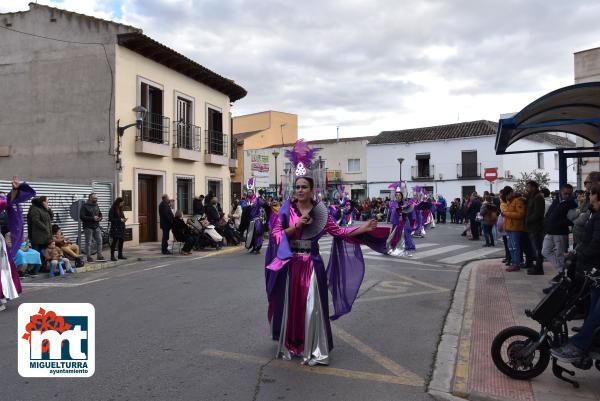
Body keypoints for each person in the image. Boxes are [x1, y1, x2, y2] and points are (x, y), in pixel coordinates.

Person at [265, 140, 388, 366]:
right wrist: (297, 227)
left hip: (312, 264)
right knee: (292, 306)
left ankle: (315, 346)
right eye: (297, 187)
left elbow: (338, 232)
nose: (299, 190)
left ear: (312, 190)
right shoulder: (286, 210)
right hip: (292, 264)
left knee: (312, 306)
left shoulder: (322, 212)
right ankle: (293, 343)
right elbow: (275, 235)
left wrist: (363, 228)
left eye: (304, 187)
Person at [551, 182, 600, 362]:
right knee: (592, 306)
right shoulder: (595, 214)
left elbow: (596, 243)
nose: (588, 197)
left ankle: (579, 346)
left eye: (590, 194)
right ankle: (592, 341)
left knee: (597, 313)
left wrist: (579, 254)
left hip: (591, 264)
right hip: (594, 270)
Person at [0, 178, 36, 311]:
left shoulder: (2, 203)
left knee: (2, 269)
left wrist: (15, 189)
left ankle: (1, 297)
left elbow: (7, 201)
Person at [542, 184, 576, 277]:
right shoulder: (557, 200)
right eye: (565, 193)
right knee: (545, 251)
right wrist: (546, 222)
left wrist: (559, 223)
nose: (567, 195)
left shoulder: (572, 204)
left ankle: (562, 274)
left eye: (569, 194)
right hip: (550, 230)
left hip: (560, 232)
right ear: (561, 192)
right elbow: (549, 213)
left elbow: (571, 220)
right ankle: (561, 270)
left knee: (560, 254)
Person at [386, 183, 416, 256]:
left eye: (399, 195)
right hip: (396, 222)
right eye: (396, 195)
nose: (398, 197)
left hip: (405, 221)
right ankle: (392, 248)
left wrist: (405, 208)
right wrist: (398, 210)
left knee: (406, 235)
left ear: (401, 196)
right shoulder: (393, 203)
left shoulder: (405, 202)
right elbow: (392, 211)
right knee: (394, 236)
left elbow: (410, 209)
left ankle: (407, 250)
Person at [524, 181, 546, 275]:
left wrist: (528, 220)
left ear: (533, 187)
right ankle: (536, 266)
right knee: (535, 248)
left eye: (528, 187)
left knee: (537, 248)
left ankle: (539, 268)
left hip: (536, 227)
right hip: (532, 227)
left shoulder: (538, 197)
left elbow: (538, 213)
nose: (527, 189)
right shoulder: (532, 196)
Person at [502, 186, 526, 272]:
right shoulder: (510, 202)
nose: (506, 197)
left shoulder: (518, 201)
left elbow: (521, 214)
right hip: (509, 228)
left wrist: (506, 213)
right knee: (511, 247)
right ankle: (513, 262)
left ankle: (516, 264)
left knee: (515, 247)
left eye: (507, 194)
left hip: (515, 228)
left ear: (511, 193)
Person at [80, 192, 105, 262]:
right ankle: (89, 257)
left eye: (96, 198)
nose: (96, 199)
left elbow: (100, 214)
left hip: (96, 226)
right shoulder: (85, 206)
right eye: (94, 198)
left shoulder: (96, 205)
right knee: (88, 242)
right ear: (90, 198)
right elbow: (82, 216)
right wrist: (92, 218)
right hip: (88, 227)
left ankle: (99, 255)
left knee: (100, 241)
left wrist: (100, 218)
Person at [244, 178, 265, 254]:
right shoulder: (246, 201)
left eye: (250, 192)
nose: (249, 193)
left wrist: (261, 198)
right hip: (249, 220)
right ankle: (253, 247)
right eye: (248, 192)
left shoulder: (257, 200)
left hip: (257, 220)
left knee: (257, 233)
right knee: (251, 235)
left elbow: (263, 204)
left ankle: (257, 247)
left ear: (253, 192)